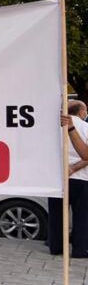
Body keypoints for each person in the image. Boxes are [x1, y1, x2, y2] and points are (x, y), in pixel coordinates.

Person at [49, 103, 88, 258]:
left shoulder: (52, 129)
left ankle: (55, 246)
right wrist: (73, 168)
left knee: (56, 215)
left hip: (56, 179)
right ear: (81, 111)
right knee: (82, 216)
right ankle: (81, 249)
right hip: (81, 178)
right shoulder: (85, 127)